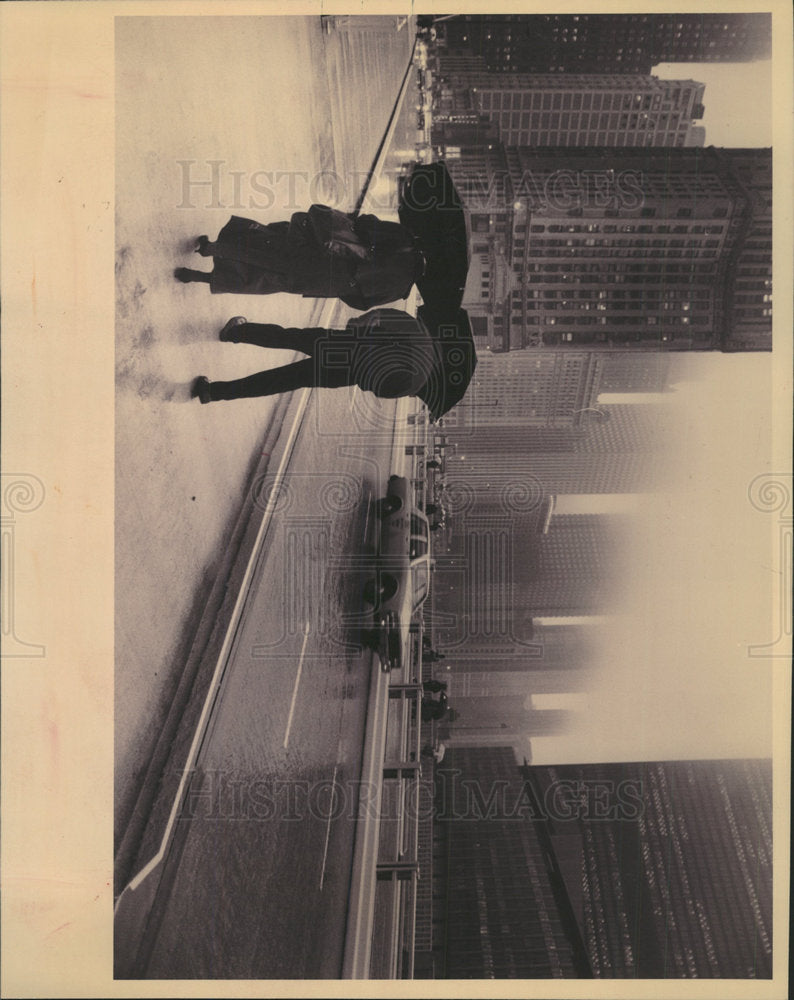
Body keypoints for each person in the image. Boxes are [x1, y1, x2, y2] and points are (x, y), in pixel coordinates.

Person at [174, 208, 425, 311]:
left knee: (271, 247)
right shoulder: (400, 291)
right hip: (325, 284)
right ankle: (197, 276)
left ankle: (214, 248)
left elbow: (367, 226)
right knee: (265, 280)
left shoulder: (407, 242)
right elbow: (359, 303)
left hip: (325, 254)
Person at [191, 308, 441, 404]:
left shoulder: (419, 333)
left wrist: (358, 325)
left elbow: (376, 317)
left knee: (289, 337)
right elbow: (379, 390)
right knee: (279, 380)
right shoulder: (416, 382)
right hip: (346, 375)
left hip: (347, 346)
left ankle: (236, 331)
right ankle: (213, 392)